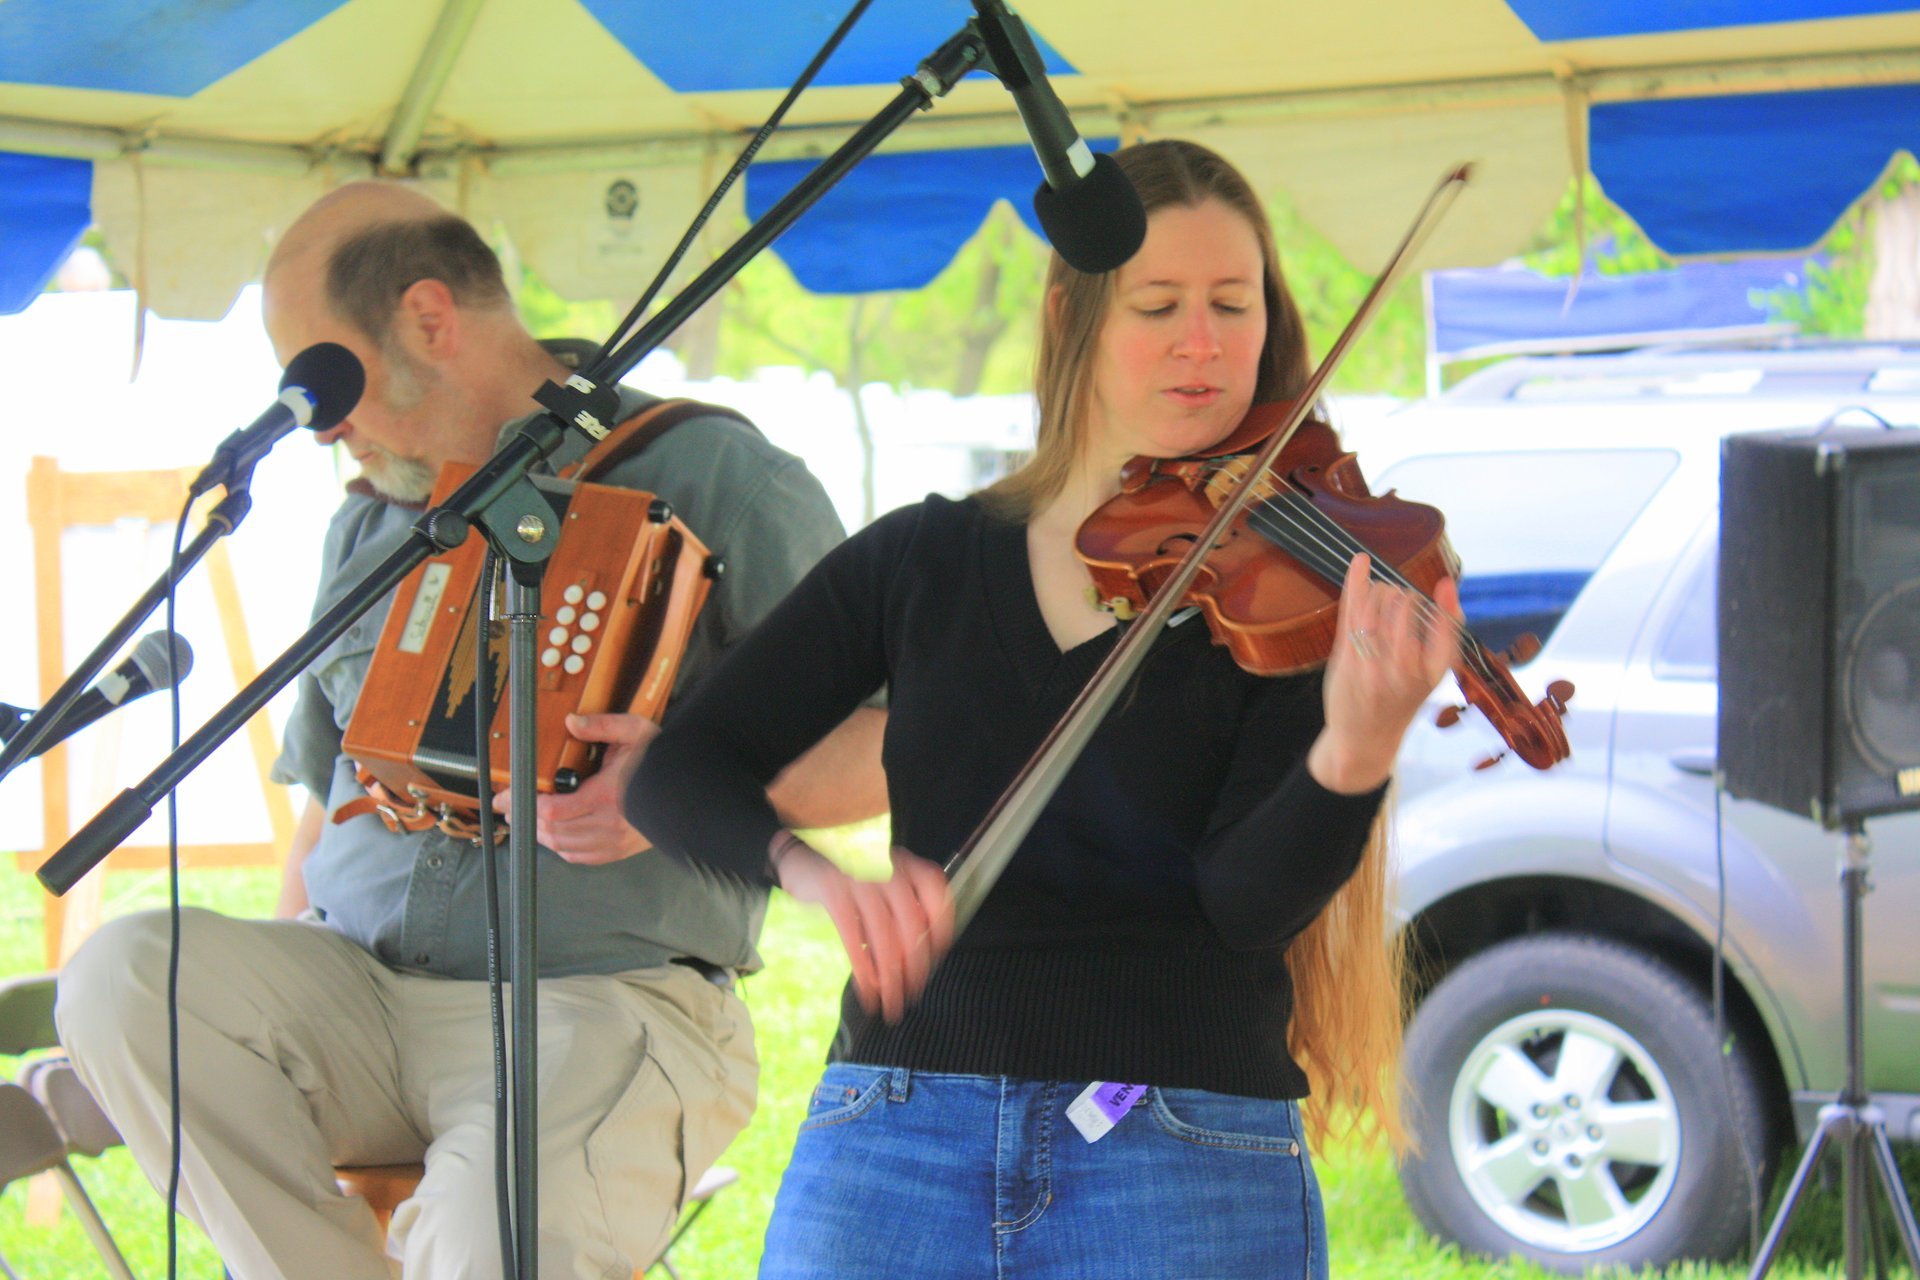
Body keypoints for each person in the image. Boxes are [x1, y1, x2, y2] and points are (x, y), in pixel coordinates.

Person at [627, 138, 1460, 1280]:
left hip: (1180, 1138)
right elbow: (681, 766)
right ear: (1073, 319)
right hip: (897, 1124)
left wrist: (1354, 752)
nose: (1204, 341)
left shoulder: (1288, 577)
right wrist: (819, 876)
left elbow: (1246, 901)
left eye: (1235, 302)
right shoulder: (924, 557)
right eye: (1159, 304)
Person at [55, 181, 887, 1280]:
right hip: (360, 989)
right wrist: (262, 999)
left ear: (429, 318)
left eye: (326, 375)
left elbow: (885, 738)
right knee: (127, 975)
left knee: (498, 1233)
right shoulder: (367, 516)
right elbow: (325, 800)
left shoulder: (711, 473)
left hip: (599, 1001)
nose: (321, 425)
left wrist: (677, 779)